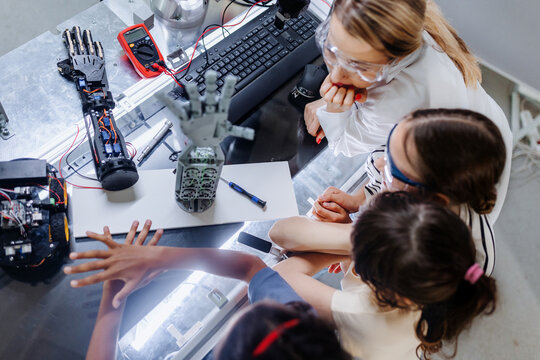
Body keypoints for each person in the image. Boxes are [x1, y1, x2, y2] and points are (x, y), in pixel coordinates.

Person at [67, 192, 497, 360]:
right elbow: (258, 269)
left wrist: (115, 295)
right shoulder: (440, 287)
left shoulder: (358, 316)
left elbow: (263, 263)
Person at [305, 0, 512, 221]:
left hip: (456, 183)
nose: (335, 77)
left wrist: (334, 106)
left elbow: (344, 143)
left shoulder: (401, 98)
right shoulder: (408, 21)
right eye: (332, 50)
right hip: (482, 126)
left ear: (394, 60)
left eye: (360, 67)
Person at [66, 221, 350, 360]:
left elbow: (249, 270)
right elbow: (251, 268)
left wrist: (114, 295)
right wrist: (153, 258)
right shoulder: (291, 338)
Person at [271, 108, 506, 275]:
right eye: (389, 144)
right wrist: (358, 201)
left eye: (392, 168)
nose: (380, 162)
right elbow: (384, 175)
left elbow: (282, 232)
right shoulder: (408, 165)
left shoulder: (428, 252)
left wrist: (348, 236)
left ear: (429, 198)